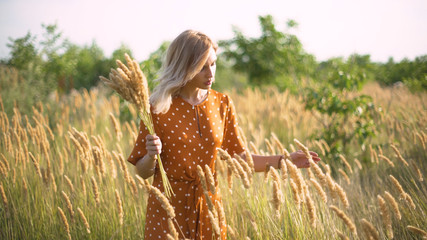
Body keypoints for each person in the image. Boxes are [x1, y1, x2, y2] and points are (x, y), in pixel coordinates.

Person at [127, 30, 321, 240]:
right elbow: (142, 171)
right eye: (202, 67)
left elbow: (238, 158)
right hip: (167, 210)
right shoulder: (157, 107)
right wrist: (151, 155)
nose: (211, 73)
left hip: (209, 208)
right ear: (184, 67)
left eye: (213, 64)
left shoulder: (222, 103)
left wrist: (285, 161)